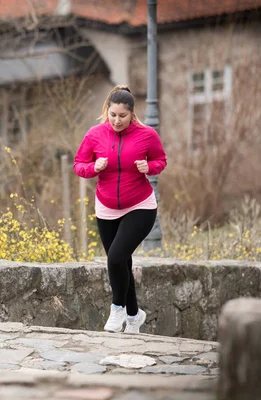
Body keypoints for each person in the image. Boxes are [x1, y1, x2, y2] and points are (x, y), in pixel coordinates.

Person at [73, 85, 167, 334]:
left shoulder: (147, 135)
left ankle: (117, 309)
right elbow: (79, 164)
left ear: (132, 114)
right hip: (106, 207)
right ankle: (135, 316)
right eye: (112, 114)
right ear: (107, 111)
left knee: (115, 257)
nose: (116, 120)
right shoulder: (95, 134)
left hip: (140, 205)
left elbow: (161, 161)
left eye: (122, 116)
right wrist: (95, 167)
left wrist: (149, 167)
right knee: (121, 262)